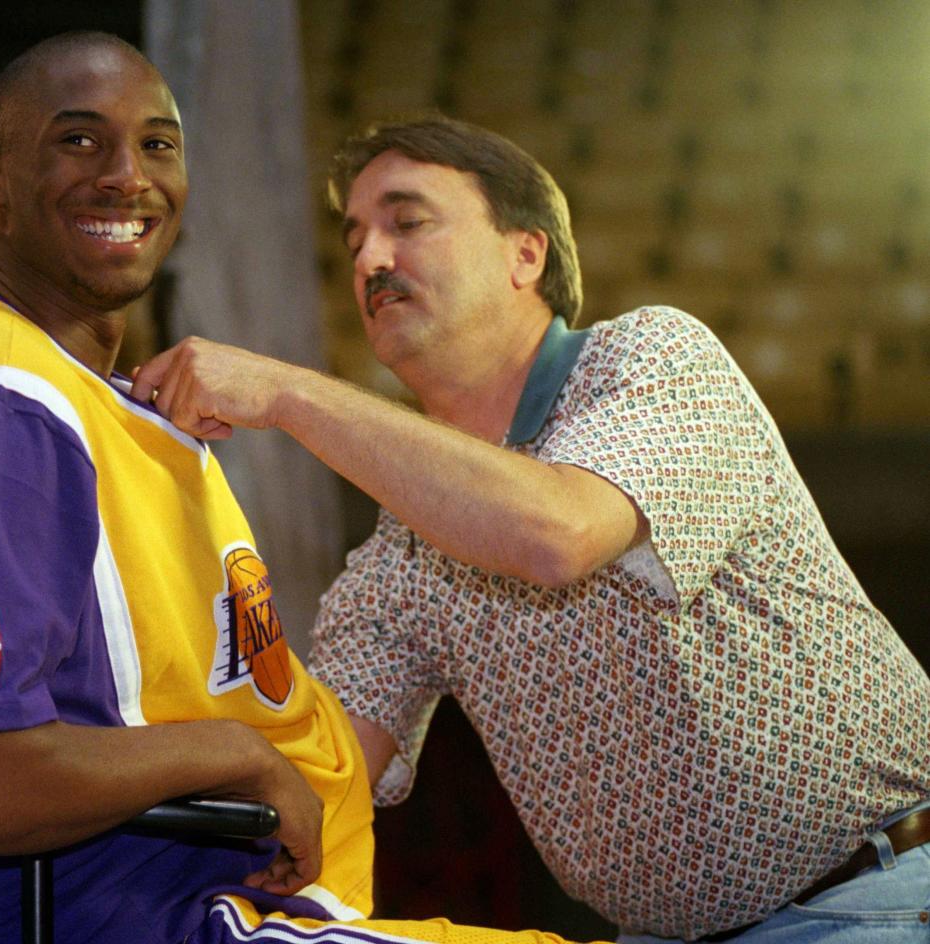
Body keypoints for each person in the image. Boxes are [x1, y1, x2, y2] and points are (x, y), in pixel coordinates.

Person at [0, 35, 589, 944]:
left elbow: (308, 720)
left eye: (158, 145)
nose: (127, 176)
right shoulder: (0, 402)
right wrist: (239, 756)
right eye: (79, 141)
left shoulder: (108, 415)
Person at [131, 115, 930, 943]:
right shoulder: (406, 544)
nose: (370, 260)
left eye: (408, 222)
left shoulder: (653, 359)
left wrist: (289, 393)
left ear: (527, 253)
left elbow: (556, 531)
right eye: (356, 237)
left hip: (877, 897)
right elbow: (321, 770)